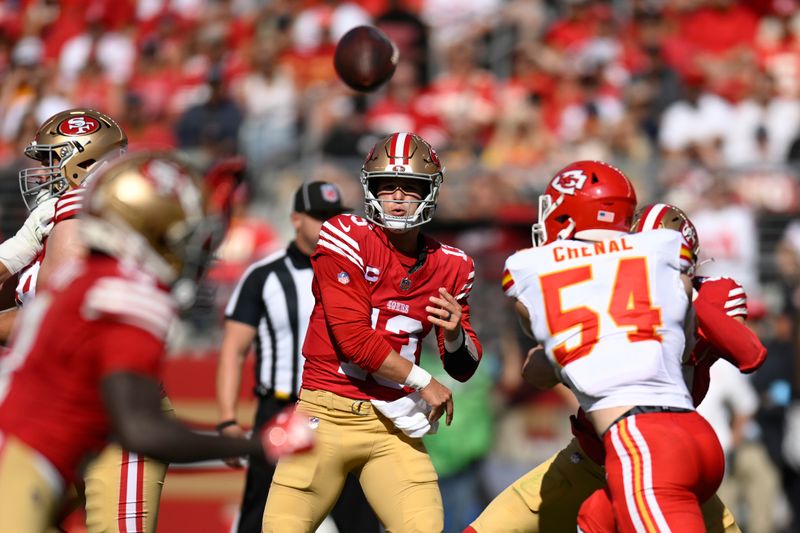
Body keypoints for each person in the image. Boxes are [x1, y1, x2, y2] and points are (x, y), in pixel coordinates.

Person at [0, 152, 282, 533]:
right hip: (40, 452)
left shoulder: (77, 278)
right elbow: (139, 430)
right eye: (179, 234)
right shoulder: (128, 294)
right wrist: (258, 444)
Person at [467, 202, 766, 533]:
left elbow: (748, 351)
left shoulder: (711, 293)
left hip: (657, 453)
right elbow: (534, 372)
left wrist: (679, 295)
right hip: (599, 455)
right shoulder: (610, 295)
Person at [262, 132, 483, 532]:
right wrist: (423, 381)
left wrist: (453, 336)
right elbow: (354, 340)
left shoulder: (453, 265)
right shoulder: (346, 236)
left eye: (410, 188)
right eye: (387, 187)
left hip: (392, 427)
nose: (397, 197)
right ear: (371, 190)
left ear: (428, 193)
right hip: (326, 413)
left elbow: (464, 367)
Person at [498, 161, 726, 533]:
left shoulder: (531, 265)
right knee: (594, 520)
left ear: (568, 213)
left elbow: (536, 354)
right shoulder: (661, 247)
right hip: (693, 434)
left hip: (640, 443)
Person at [216, 180, 380, 533]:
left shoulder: (362, 273)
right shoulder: (264, 275)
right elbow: (233, 348)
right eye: (320, 216)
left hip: (344, 408)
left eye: (335, 217)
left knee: (359, 518)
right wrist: (228, 420)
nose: (329, 225)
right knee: (262, 516)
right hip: (283, 410)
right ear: (295, 219)